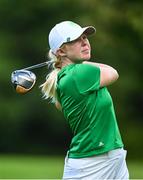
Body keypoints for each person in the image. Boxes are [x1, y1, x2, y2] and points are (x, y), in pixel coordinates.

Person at [40, 21, 129, 179]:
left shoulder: (68, 76)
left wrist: (70, 62)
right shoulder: (77, 74)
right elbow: (113, 73)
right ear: (61, 51)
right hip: (91, 163)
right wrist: (81, 62)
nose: (85, 42)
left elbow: (58, 105)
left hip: (112, 156)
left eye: (85, 37)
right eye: (75, 40)